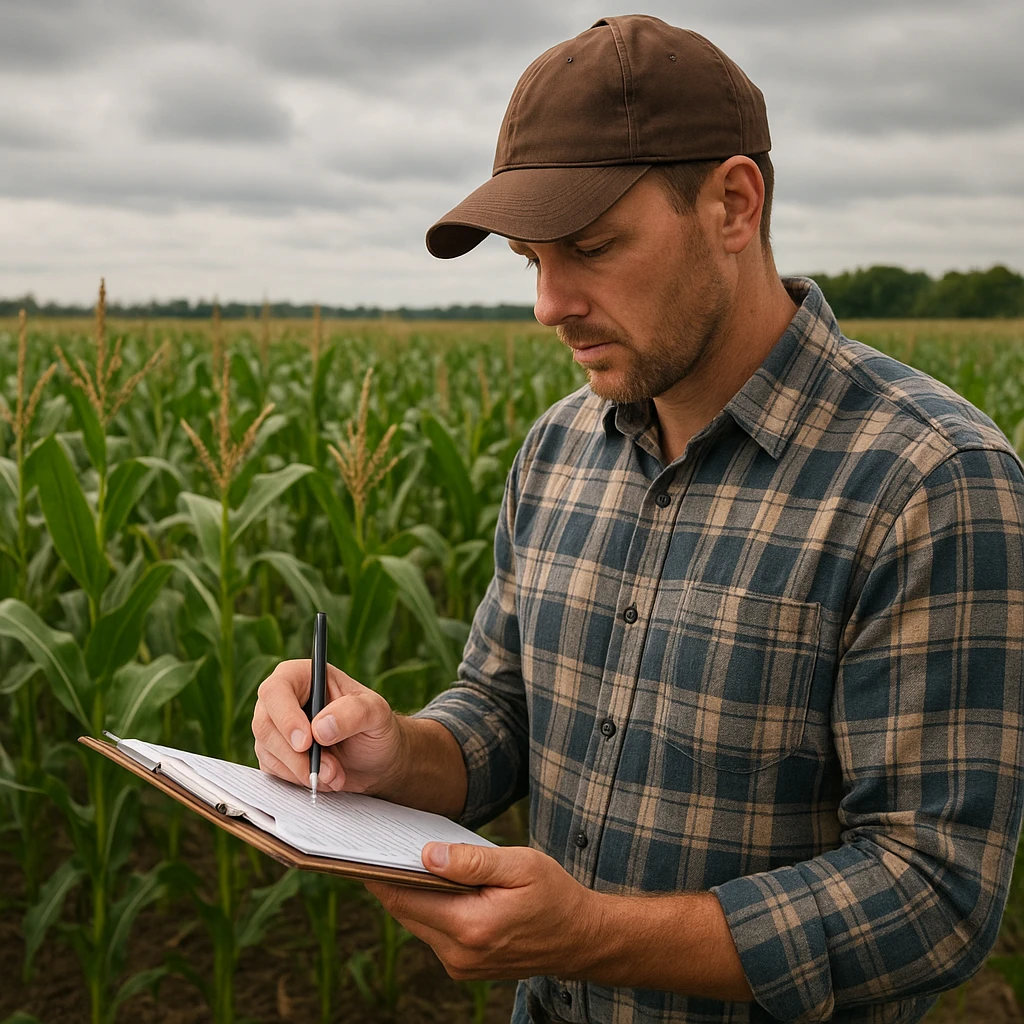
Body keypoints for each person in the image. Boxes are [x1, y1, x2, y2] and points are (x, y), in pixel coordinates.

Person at [252, 15, 1024, 1024]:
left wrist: (594, 934)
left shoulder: (927, 479)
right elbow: (501, 713)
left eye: (592, 248)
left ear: (732, 205)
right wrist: (395, 750)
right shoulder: (557, 451)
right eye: (530, 258)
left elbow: (934, 893)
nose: (548, 303)